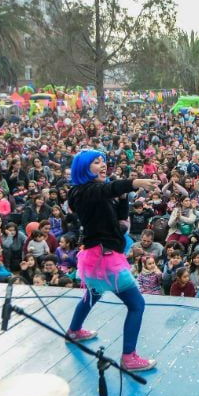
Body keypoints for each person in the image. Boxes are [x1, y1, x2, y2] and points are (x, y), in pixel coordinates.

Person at [64, 149, 159, 372]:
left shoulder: (95, 193)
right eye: (96, 162)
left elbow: (120, 222)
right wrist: (135, 182)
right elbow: (109, 188)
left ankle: (74, 331)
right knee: (137, 304)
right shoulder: (82, 192)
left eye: (104, 161)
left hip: (98, 255)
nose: (103, 165)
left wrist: (124, 199)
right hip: (104, 258)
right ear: (83, 168)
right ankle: (129, 357)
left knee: (93, 294)